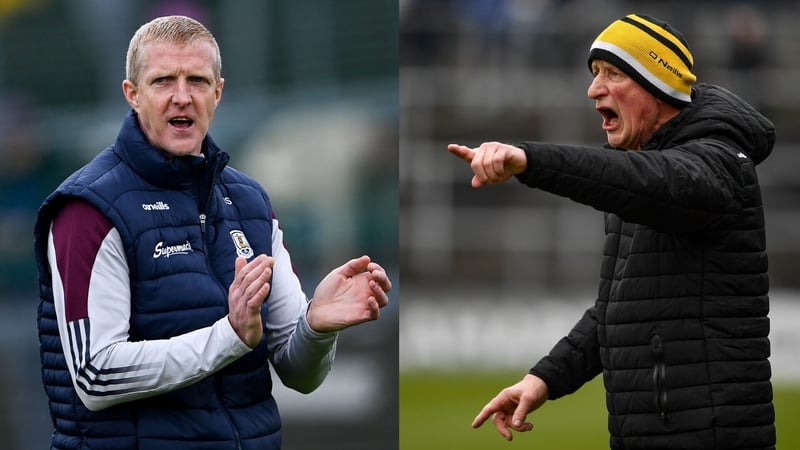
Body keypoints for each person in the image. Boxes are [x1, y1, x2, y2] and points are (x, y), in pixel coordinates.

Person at [33, 15, 392, 450]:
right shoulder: (87, 208)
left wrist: (316, 327)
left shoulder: (250, 202)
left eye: (198, 81)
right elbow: (96, 374)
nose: (182, 97)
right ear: (132, 94)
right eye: (163, 81)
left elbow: (301, 376)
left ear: (218, 92)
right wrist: (230, 336)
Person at [448, 13, 775, 450]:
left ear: (657, 86)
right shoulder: (645, 168)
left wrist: (530, 161)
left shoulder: (716, 165)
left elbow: (645, 179)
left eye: (613, 74)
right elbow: (621, 308)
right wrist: (544, 378)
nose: (593, 89)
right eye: (595, 73)